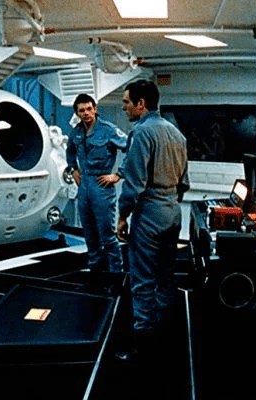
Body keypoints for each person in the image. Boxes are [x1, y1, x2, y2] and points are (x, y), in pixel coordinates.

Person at [115, 79, 189, 358]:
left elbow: (134, 183)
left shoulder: (141, 133)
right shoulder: (177, 134)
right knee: (165, 276)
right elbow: (184, 182)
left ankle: (143, 344)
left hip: (149, 214)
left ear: (141, 104)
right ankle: (166, 335)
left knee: (143, 278)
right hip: (172, 212)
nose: (124, 108)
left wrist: (123, 217)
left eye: (126, 102)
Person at [65, 93, 128, 293]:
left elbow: (132, 148)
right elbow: (70, 151)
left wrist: (118, 175)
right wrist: (72, 169)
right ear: (77, 113)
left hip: (102, 186)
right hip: (84, 186)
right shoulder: (76, 132)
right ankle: (96, 276)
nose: (86, 113)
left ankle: (117, 279)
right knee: (90, 235)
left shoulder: (108, 130)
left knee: (107, 236)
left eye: (89, 109)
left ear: (95, 109)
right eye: (81, 110)